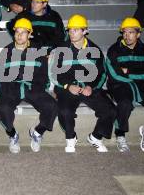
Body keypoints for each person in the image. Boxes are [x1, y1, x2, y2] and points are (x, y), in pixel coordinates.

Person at [50, 14, 116, 153]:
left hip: (88, 87)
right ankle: (71, 138)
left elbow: (102, 73)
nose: (71, 33)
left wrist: (91, 86)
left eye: (76, 30)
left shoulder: (95, 50)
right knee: (64, 110)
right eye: (70, 30)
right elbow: (54, 73)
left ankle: (96, 137)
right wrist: (68, 86)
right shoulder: (61, 49)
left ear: (85, 31)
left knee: (110, 110)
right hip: (68, 87)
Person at [0, 18, 58, 153]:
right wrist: (0, 90)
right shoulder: (6, 51)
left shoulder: (38, 51)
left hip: (33, 87)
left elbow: (45, 73)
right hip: (12, 87)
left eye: (23, 32)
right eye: (17, 32)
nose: (19, 35)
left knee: (52, 106)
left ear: (30, 34)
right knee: (4, 108)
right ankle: (13, 135)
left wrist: (45, 89)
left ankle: (37, 132)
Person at [106, 17, 144, 153]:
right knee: (125, 103)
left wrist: (129, 71)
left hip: (143, 85)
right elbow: (115, 74)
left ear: (138, 34)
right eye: (124, 32)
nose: (127, 36)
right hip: (119, 85)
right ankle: (120, 135)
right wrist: (138, 71)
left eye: (131, 32)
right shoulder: (114, 50)